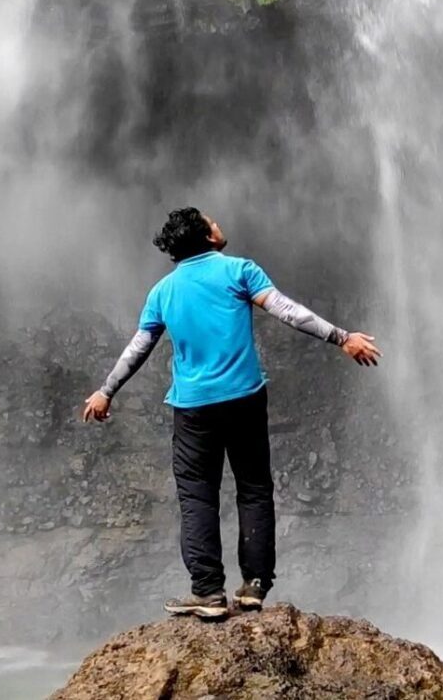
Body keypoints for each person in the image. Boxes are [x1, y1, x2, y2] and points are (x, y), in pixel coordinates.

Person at [83, 207, 382, 619]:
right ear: (206, 236)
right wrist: (342, 338)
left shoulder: (163, 292)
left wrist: (105, 391)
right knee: (254, 487)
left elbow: (138, 349)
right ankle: (255, 585)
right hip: (244, 399)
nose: (220, 225)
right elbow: (288, 311)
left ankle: (207, 592)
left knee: (196, 496)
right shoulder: (239, 271)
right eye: (213, 222)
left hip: (192, 409)